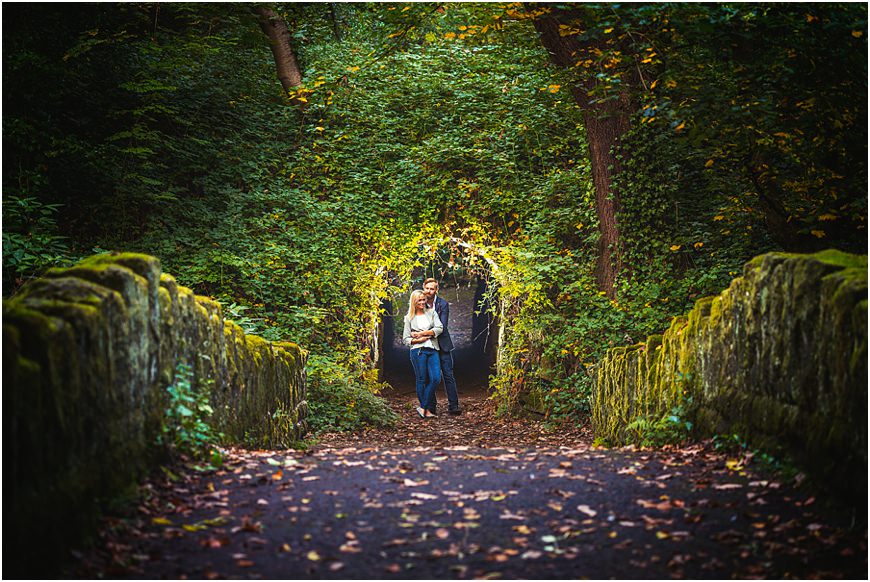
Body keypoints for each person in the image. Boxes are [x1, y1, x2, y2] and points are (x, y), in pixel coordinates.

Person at [422, 277, 461, 415]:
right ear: (424, 288)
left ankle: (454, 405)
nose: (429, 291)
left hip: (443, 345)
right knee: (430, 376)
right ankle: (431, 406)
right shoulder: (419, 303)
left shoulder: (443, 304)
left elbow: (442, 326)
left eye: (432, 288)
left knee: (448, 375)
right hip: (427, 345)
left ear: (436, 290)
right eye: (427, 288)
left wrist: (425, 331)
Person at [403, 289, 443, 418]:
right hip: (418, 351)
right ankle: (427, 410)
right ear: (414, 302)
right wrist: (417, 340)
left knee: (436, 378)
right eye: (419, 300)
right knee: (421, 379)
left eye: (423, 299)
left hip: (432, 349)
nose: (422, 302)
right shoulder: (409, 318)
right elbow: (406, 339)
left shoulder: (432, 313)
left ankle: (423, 407)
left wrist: (421, 333)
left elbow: (439, 328)